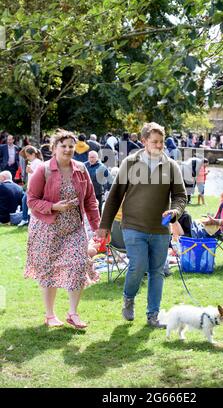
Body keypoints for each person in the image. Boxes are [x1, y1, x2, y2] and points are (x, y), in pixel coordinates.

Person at [99, 122, 187, 327]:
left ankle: (153, 316)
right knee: (137, 266)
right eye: (154, 141)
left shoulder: (171, 166)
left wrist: (175, 212)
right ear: (144, 141)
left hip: (160, 229)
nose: (159, 145)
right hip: (133, 226)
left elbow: (181, 196)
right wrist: (104, 226)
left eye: (161, 142)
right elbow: (114, 196)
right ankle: (128, 298)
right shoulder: (130, 163)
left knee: (157, 271)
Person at [24, 129, 101, 328]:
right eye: (63, 146)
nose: (67, 149)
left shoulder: (81, 169)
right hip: (46, 228)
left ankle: (73, 313)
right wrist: (53, 207)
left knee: (78, 264)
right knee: (48, 271)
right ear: (54, 148)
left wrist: (97, 227)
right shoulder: (43, 169)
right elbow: (31, 200)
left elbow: (90, 199)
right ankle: (50, 315)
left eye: (70, 146)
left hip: (74, 227)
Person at [18, 145, 43, 226]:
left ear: (33, 154)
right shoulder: (32, 162)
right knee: (25, 201)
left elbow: (41, 175)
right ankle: (26, 219)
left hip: (35, 187)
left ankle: (26, 219)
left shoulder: (38, 162)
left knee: (26, 201)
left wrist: (31, 171)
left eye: (28, 156)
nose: (27, 158)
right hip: (31, 186)